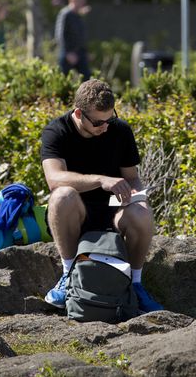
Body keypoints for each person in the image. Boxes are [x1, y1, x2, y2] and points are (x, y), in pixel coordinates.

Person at [40, 79, 163, 313]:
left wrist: (137, 194)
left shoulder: (120, 130)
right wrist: (101, 180)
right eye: (98, 122)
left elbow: (132, 177)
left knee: (141, 211)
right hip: (77, 213)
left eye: (110, 119)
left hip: (112, 210)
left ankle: (135, 283)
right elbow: (54, 179)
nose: (105, 127)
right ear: (79, 113)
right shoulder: (56, 132)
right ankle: (68, 275)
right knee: (61, 196)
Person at [54, 0, 91, 80]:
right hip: (67, 53)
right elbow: (59, 35)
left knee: (87, 79)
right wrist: (68, 53)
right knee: (62, 80)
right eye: (81, 0)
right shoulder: (65, 14)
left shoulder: (78, 16)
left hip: (80, 53)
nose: (83, 3)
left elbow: (81, 36)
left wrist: (85, 52)